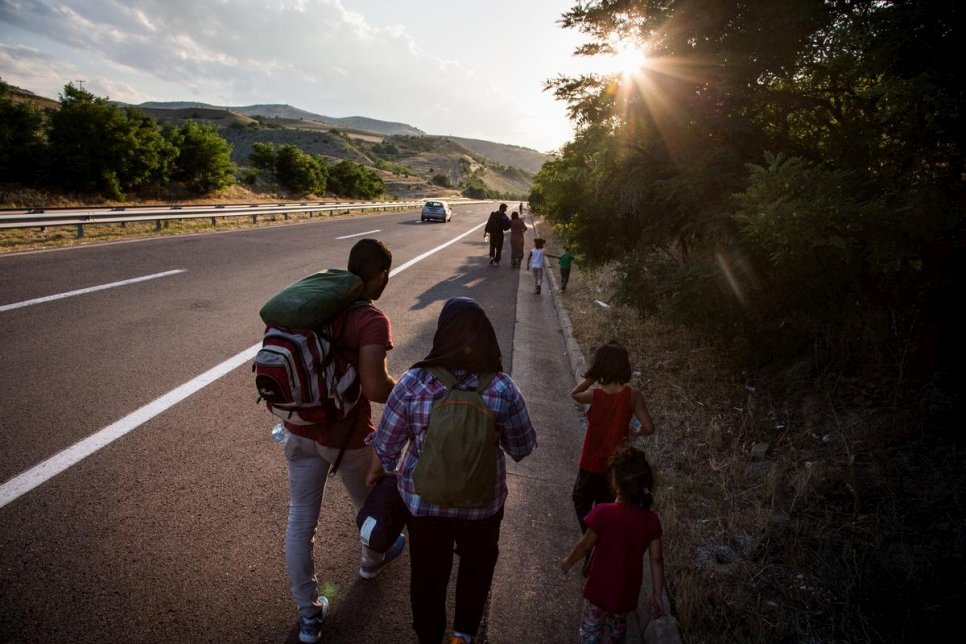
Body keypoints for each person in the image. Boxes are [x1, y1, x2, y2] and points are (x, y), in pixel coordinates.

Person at [368, 297, 537, 644]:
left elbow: (385, 448)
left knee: (428, 578)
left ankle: (429, 637)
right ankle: (463, 636)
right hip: (482, 506)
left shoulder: (413, 383)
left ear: (442, 334)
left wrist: (377, 478)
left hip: (424, 505)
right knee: (476, 570)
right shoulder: (502, 388)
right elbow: (521, 448)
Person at [282, 238, 401, 644]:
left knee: (301, 520)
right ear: (381, 276)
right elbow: (376, 388)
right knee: (369, 504)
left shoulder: (316, 305)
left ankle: (308, 617)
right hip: (346, 436)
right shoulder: (370, 319)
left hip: (300, 428)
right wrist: (405, 386)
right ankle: (371, 562)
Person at [560, 445, 665, 643]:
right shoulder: (651, 521)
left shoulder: (603, 513)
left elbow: (584, 545)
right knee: (617, 628)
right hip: (626, 594)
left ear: (616, 483)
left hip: (599, 590)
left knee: (591, 630)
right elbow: (656, 560)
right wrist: (657, 595)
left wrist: (568, 561)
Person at [571, 341, 655, 545]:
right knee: (605, 505)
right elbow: (649, 427)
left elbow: (574, 394)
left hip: (591, 460)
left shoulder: (595, 395)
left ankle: (590, 540)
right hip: (616, 464)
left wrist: (590, 378)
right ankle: (598, 541)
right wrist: (634, 432)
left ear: (600, 366)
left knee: (580, 499)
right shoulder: (633, 396)